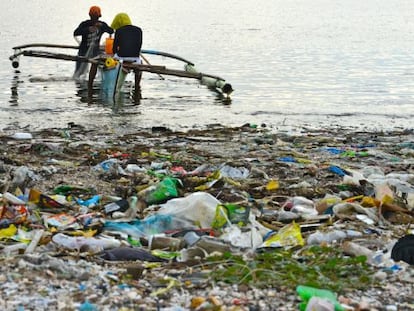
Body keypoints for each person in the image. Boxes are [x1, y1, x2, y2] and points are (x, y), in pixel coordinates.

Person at [73, 6, 113, 94]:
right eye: (93, 17)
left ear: (99, 17)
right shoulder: (85, 24)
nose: (95, 19)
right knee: (78, 74)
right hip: (83, 52)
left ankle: (93, 82)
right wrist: (87, 29)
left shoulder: (102, 25)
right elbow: (76, 32)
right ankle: (80, 85)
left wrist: (102, 26)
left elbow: (111, 31)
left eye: (96, 17)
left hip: (95, 52)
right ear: (90, 16)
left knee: (96, 68)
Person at [111, 13, 143, 100]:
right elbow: (139, 46)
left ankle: (120, 73)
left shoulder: (119, 31)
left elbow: (114, 49)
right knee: (140, 63)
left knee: (113, 58)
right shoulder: (139, 30)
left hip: (122, 58)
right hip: (135, 58)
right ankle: (137, 86)